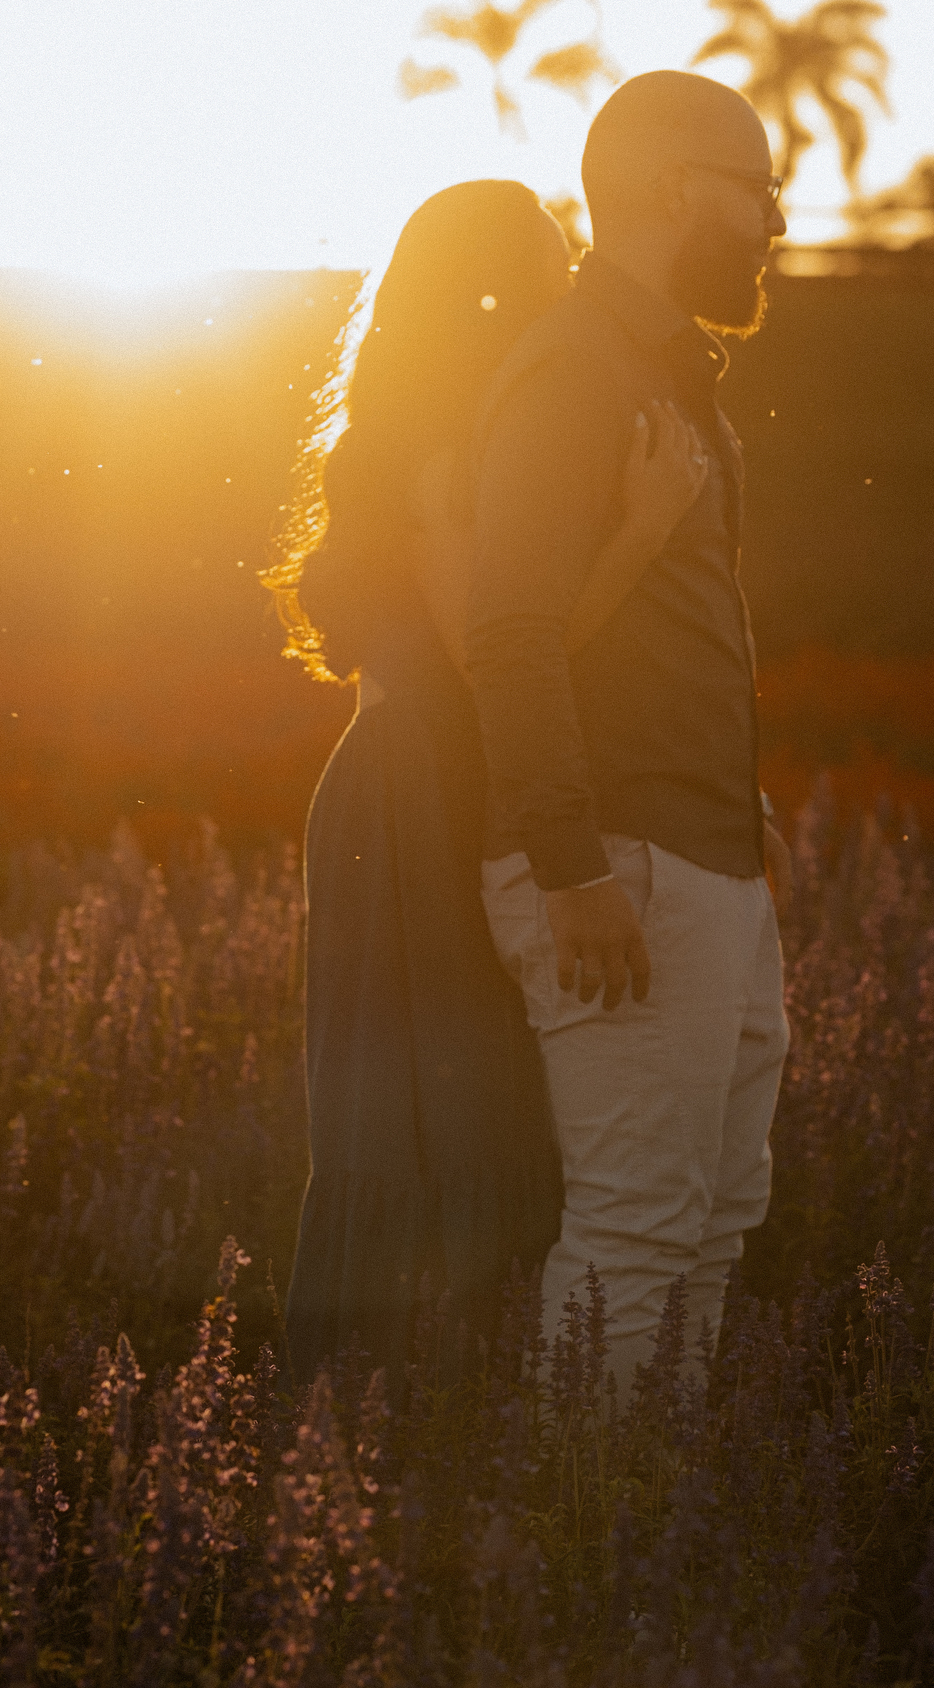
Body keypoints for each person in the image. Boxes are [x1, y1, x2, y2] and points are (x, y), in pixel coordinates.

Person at [266, 179, 714, 1388]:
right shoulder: (447, 449)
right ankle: (395, 1427)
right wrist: (643, 532)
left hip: (416, 780)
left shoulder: (423, 434)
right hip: (419, 789)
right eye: (550, 270)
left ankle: (417, 1421)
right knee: (430, 1115)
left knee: (447, 1108)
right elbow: (496, 659)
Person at [468, 73, 795, 1405]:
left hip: (699, 849)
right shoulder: (570, 371)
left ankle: (655, 1539)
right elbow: (508, 632)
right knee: (636, 1234)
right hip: (624, 864)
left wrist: (740, 815)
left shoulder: (658, 370)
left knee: (713, 1227)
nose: (775, 219)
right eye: (758, 187)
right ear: (672, 189)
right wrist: (572, 866)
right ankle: (576, 1563)